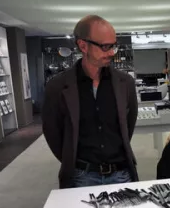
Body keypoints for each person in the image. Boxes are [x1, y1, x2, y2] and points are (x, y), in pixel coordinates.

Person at [42, 15, 139, 188]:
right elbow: (53, 133)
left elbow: (128, 126)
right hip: (81, 176)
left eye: (113, 46)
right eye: (105, 46)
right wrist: (70, 159)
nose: (111, 52)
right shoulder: (57, 86)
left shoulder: (125, 83)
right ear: (83, 45)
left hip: (122, 173)